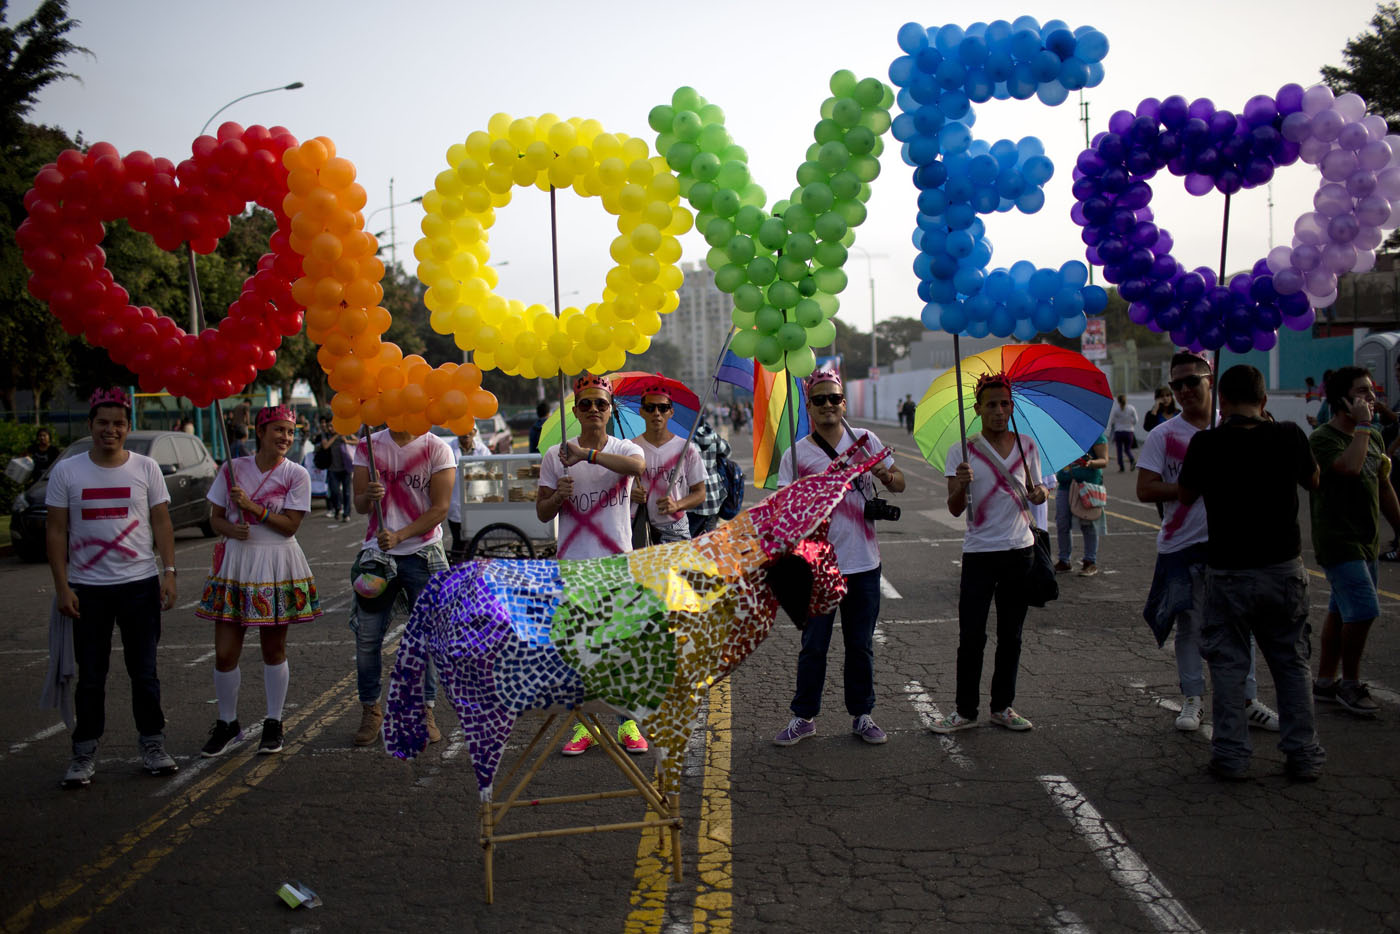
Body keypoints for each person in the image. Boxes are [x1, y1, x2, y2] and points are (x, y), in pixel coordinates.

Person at [1177, 365, 1325, 781]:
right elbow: (1314, 480)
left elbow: (1186, 495)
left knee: (1228, 665)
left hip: (1228, 570)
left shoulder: (1207, 442)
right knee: (1291, 663)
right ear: (1264, 402)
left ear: (1220, 402)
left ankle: (1232, 756)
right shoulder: (1289, 435)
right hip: (1283, 567)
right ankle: (1303, 754)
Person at [1137, 353, 1280, 735]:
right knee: (1190, 626)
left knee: (1240, 625)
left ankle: (1248, 701)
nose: (1184, 390)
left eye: (1191, 381)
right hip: (1181, 546)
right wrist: (1190, 488)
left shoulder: (1238, 428)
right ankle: (1193, 698)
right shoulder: (1163, 435)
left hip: (1233, 544)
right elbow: (1145, 488)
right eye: (1176, 385)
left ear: (1210, 381)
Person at [46, 388, 179, 788]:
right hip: (88, 589)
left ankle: (153, 745)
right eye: (102, 422)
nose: (110, 430)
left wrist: (169, 571)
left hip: (139, 585)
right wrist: (62, 586)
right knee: (91, 676)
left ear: (128, 426)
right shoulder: (67, 472)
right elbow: (55, 532)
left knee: (144, 673)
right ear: (90, 426)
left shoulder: (145, 468)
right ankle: (83, 752)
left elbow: (162, 523)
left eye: (118, 423)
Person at [772, 368, 905, 747]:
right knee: (814, 646)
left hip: (863, 562)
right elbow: (786, 510)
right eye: (820, 400)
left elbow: (899, 484)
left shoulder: (866, 440)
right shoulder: (797, 454)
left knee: (860, 644)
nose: (828, 405)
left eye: (834, 398)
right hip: (817, 565)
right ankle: (804, 717)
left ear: (843, 402)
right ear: (809, 408)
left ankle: (862, 715)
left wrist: (885, 474)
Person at [196, 405, 322, 757]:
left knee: (273, 648)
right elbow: (216, 519)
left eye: (290, 432)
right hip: (237, 562)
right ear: (261, 431)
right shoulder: (233, 470)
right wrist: (230, 527)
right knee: (224, 653)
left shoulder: (296, 474)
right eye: (278, 430)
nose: (285, 437)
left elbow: (291, 525)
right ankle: (226, 721)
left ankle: (273, 721)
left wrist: (253, 509)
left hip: (276, 561)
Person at [536, 374, 649, 755]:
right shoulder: (555, 456)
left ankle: (627, 724)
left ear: (610, 408)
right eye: (586, 404)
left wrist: (586, 455)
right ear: (575, 410)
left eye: (601, 404)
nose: (594, 410)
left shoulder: (624, 448)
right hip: (572, 567)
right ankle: (585, 727)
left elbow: (637, 469)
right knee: (580, 653)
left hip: (617, 565)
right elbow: (540, 512)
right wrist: (558, 499)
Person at [931, 373, 1046, 735]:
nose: (999, 410)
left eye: (1005, 404)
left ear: (1012, 408)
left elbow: (1037, 490)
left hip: (1020, 551)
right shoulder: (961, 452)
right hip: (979, 552)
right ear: (978, 408)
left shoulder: (1027, 447)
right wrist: (960, 485)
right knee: (972, 636)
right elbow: (953, 509)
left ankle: (1003, 706)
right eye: (992, 404)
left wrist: (1040, 493)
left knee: (1011, 634)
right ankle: (965, 710)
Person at [349, 420, 456, 746]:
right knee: (367, 638)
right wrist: (367, 495)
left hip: (422, 554)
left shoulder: (436, 448)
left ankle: (424, 709)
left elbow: (439, 509)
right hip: (376, 555)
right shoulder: (369, 444)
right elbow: (359, 506)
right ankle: (371, 709)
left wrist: (400, 535)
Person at [1310, 366, 1400, 717]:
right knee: (1363, 609)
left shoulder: (1374, 437)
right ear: (1341, 400)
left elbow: (1384, 485)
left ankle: (1325, 681)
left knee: (1339, 611)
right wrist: (1363, 426)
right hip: (1337, 540)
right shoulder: (1323, 438)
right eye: (1361, 393)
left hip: (1367, 541)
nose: (1371, 399)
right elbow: (1347, 467)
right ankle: (1350, 683)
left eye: (1371, 391)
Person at [631, 381, 707, 545]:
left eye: (663, 408)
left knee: (677, 571)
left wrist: (677, 505)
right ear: (642, 412)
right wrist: (631, 495)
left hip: (676, 529)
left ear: (671, 412)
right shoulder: (630, 448)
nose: (656, 413)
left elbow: (700, 493)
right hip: (639, 528)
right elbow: (614, 491)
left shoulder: (686, 448)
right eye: (650, 408)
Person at [1053, 433, 1108, 577]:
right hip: (1065, 484)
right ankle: (1064, 561)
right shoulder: (1063, 435)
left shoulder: (1096, 436)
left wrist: (1090, 463)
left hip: (1087, 486)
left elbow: (1104, 460)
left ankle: (1090, 561)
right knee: (1062, 522)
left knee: (1088, 523)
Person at [446, 423, 490, 557]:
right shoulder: (449, 449)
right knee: (458, 541)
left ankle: (469, 567)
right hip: (455, 502)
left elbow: (491, 468)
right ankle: (457, 569)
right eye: (462, 431)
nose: (466, 435)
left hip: (476, 501)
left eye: (469, 431)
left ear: (475, 432)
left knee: (473, 541)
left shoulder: (482, 450)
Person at [688, 417, 731, 538]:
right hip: (713, 497)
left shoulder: (686, 440)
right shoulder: (711, 434)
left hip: (692, 499)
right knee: (709, 540)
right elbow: (727, 451)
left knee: (688, 541)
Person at [313, 418, 351, 522]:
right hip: (332, 469)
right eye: (329, 426)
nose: (330, 428)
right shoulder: (326, 435)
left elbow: (356, 441)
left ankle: (346, 514)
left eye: (332, 426)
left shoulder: (344, 433)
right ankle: (338, 508)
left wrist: (347, 440)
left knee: (347, 492)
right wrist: (335, 436)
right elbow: (325, 446)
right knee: (334, 491)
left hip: (345, 469)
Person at [1108, 393, 1138, 471]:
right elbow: (1136, 420)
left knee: (1119, 450)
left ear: (1118, 401)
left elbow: (1112, 422)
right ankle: (1132, 460)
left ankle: (1121, 467)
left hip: (1119, 432)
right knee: (1127, 449)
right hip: (1129, 431)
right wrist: (1130, 424)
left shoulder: (1116, 410)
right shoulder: (1131, 408)